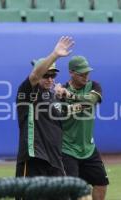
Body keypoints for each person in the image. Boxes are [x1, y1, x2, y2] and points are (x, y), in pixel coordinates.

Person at [15, 36, 74, 178]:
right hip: (35, 158)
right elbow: (35, 76)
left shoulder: (54, 96)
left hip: (55, 161)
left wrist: (68, 97)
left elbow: (73, 111)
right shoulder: (28, 92)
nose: (50, 78)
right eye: (46, 75)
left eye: (52, 75)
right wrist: (55, 55)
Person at [55, 56, 109, 200]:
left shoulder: (93, 86)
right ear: (71, 72)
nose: (86, 76)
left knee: (101, 184)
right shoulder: (61, 91)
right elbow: (63, 110)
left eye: (87, 72)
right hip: (67, 149)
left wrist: (70, 96)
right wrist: (62, 95)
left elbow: (91, 100)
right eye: (81, 73)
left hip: (88, 148)